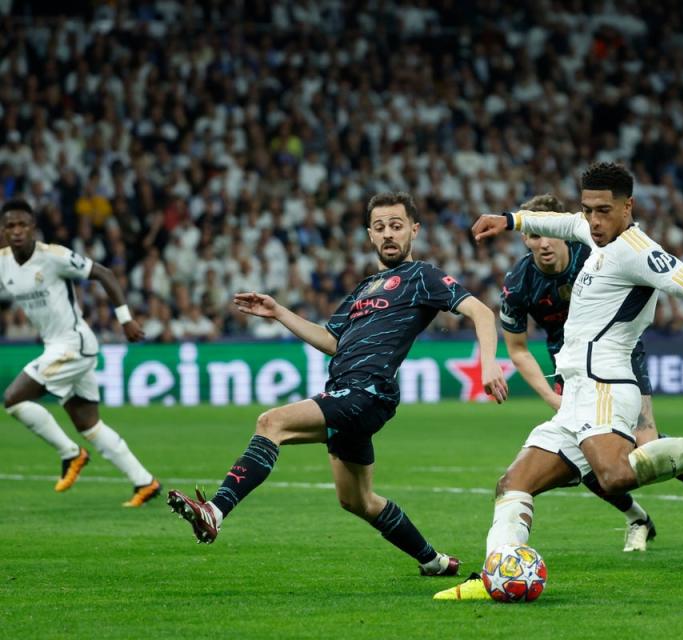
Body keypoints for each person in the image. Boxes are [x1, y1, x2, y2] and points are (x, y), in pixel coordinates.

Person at [435, 161, 683, 601]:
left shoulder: (637, 250)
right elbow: (563, 221)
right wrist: (510, 220)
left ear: (627, 206)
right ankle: (494, 574)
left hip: (607, 381)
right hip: (575, 391)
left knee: (613, 475)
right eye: (588, 209)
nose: (593, 221)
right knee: (513, 484)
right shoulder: (593, 232)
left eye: (603, 211)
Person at [166, 192, 508, 577]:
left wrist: (489, 363)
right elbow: (332, 339)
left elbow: (479, 311)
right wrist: (278, 312)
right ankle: (433, 561)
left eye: (396, 226)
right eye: (379, 228)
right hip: (350, 392)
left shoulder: (422, 277)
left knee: (270, 423)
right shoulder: (365, 288)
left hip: (367, 391)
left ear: (414, 230)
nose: (388, 235)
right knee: (357, 501)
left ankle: (215, 510)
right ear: (369, 235)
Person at [501, 193, 683, 551]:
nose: (543, 243)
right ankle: (636, 518)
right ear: (525, 238)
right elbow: (517, 349)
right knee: (588, 457)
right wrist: (551, 396)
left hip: (620, 356)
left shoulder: (593, 251)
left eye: (548, 233)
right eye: (534, 235)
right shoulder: (518, 283)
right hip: (572, 368)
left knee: (646, 446)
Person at [0, 200, 160, 506]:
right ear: (4, 230)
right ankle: (145, 482)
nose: (17, 231)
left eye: (23, 225)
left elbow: (105, 274)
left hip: (74, 344)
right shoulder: (3, 262)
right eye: (11, 226)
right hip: (55, 346)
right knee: (89, 424)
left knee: (13, 399)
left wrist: (125, 319)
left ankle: (70, 453)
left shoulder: (54, 257)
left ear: (33, 227)